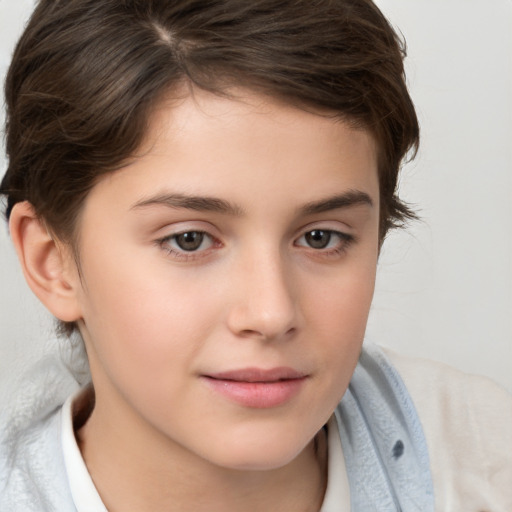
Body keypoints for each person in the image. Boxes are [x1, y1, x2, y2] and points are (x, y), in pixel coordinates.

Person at [0, 0, 510, 511]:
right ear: (52, 262)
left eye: (320, 237)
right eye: (189, 240)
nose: (272, 313)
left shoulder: (488, 465)